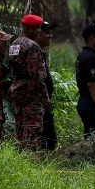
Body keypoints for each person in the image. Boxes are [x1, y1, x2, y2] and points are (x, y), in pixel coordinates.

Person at [9, 15, 51, 150]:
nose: (39, 30)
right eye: (37, 28)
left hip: (17, 91)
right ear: (28, 28)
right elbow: (37, 76)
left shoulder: (14, 44)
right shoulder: (32, 46)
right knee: (33, 129)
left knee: (20, 128)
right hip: (31, 94)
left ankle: (20, 159)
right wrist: (45, 98)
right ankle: (32, 160)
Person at [37, 21, 58, 150]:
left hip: (45, 104)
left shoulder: (42, 54)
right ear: (38, 34)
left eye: (51, 33)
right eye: (47, 33)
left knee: (50, 140)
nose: (50, 36)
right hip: (38, 105)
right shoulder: (34, 53)